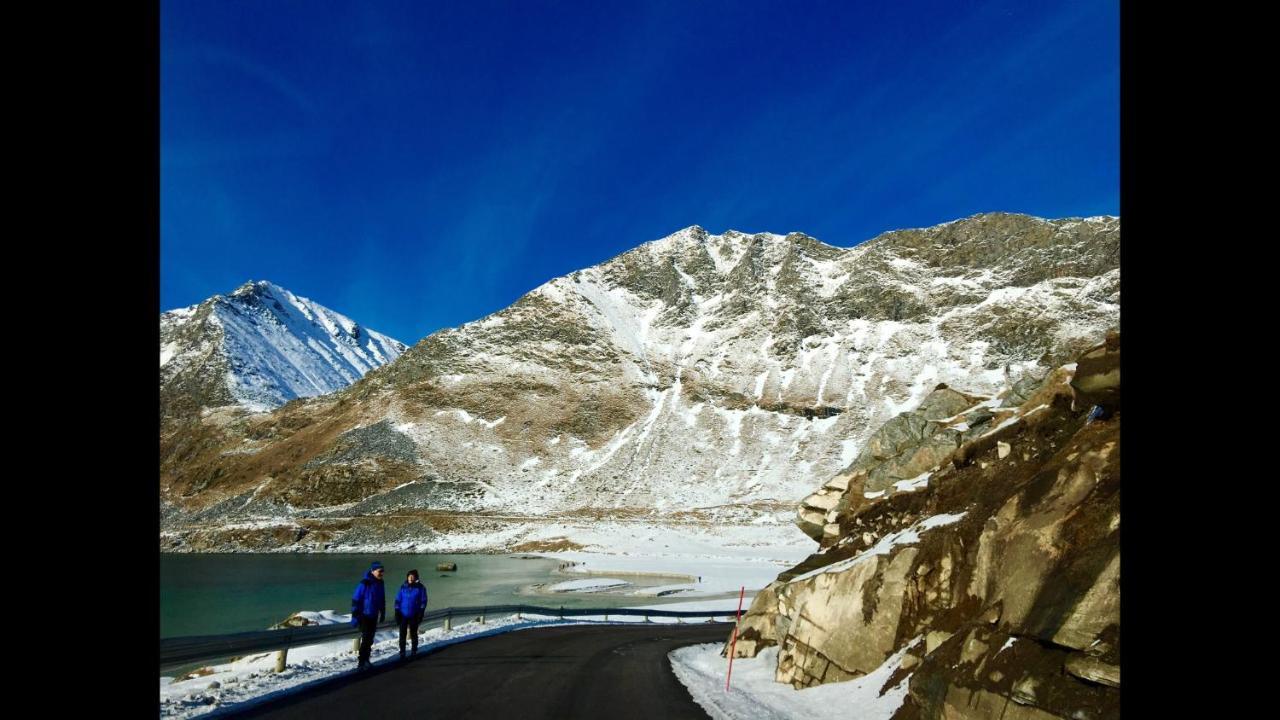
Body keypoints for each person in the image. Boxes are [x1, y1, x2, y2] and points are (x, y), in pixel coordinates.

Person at [350, 560, 386, 670]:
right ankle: (361, 662)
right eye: (379, 571)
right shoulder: (365, 583)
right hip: (364, 615)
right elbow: (356, 599)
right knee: (366, 639)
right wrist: (355, 615)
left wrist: (383, 611)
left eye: (382, 571)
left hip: (374, 615)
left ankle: (367, 660)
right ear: (373, 571)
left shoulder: (380, 583)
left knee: (370, 640)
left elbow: (382, 599)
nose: (381, 573)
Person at [394, 569, 429, 659]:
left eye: (412, 576)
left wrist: (421, 612)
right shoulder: (403, 587)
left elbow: (423, 601)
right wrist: (397, 611)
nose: (410, 578)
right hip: (403, 614)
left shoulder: (421, 588)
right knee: (402, 634)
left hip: (414, 614)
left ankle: (414, 650)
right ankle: (402, 652)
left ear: (416, 578)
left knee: (413, 634)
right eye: (409, 576)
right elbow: (398, 600)